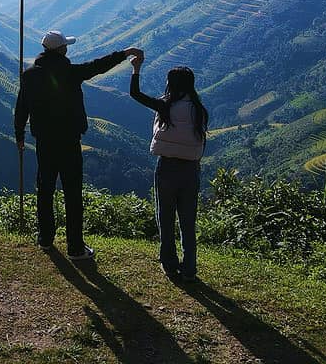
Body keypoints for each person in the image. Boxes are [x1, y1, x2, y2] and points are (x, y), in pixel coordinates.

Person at [15, 30, 142, 260]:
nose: (67, 48)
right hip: (69, 141)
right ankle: (75, 247)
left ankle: (45, 238)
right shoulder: (70, 73)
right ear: (60, 50)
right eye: (65, 46)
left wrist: (19, 134)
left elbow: (21, 106)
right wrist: (125, 53)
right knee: (72, 193)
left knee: (45, 189)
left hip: (44, 142)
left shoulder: (29, 75)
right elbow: (98, 66)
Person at [129, 58, 209, 281]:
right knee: (188, 221)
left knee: (165, 218)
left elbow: (135, 94)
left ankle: (170, 264)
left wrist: (136, 69)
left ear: (170, 84)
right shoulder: (199, 110)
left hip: (167, 167)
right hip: (191, 170)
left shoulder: (165, 106)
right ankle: (190, 268)